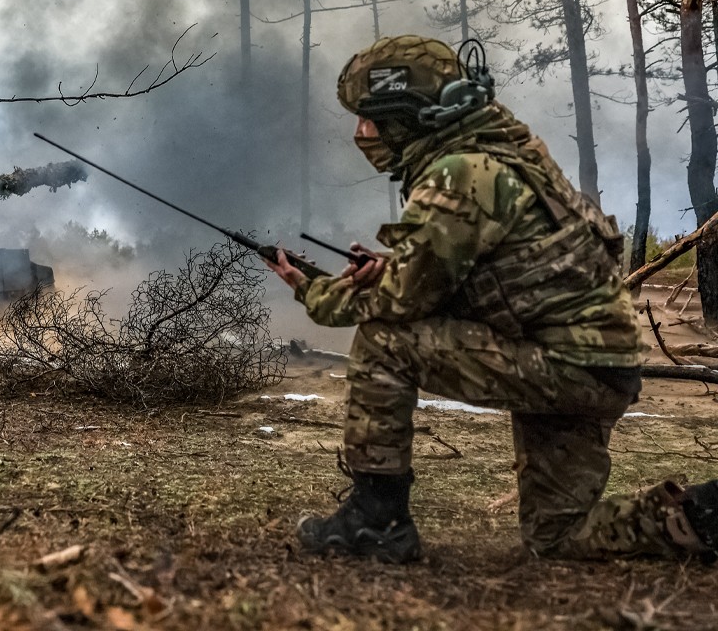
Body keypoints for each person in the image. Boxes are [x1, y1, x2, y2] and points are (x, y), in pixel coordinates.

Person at [267, 34, 718, 563]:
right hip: (594, 364)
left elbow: (398, 305)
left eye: (370, 118)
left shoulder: (462, 172)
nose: (360, 133)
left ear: (406, 116)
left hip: (564, 364)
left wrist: (314, 290)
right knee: (558, 536)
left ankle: (376, 521)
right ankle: (703, 514)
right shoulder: (504, 151)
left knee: (384, 341)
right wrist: (399, 268)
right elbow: (496, 270)